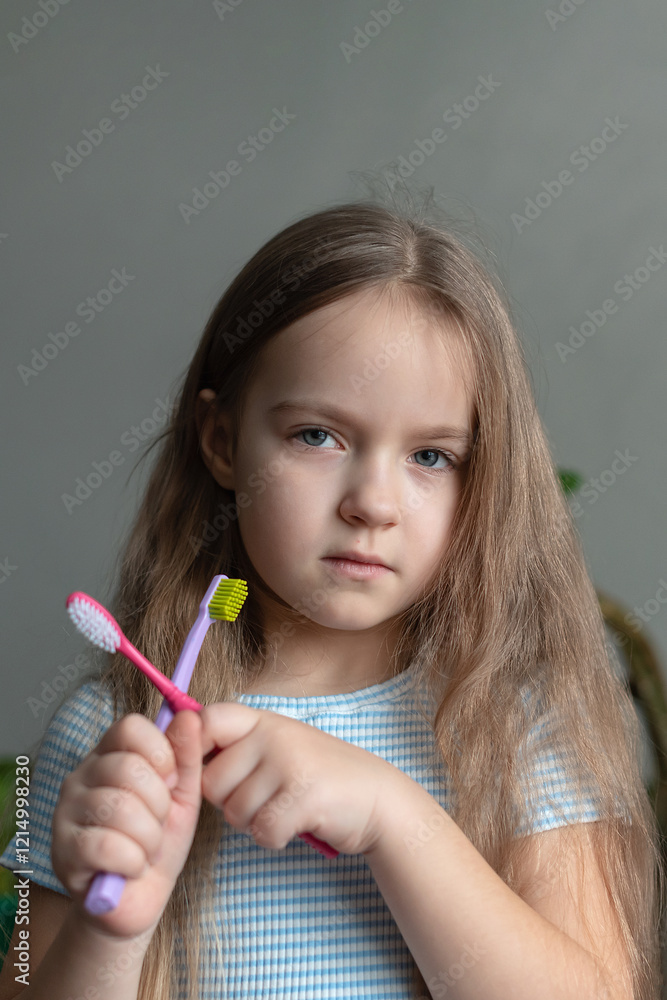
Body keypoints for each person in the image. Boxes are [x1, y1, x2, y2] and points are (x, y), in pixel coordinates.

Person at [0, 196, 662, 1000]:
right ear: (221, 442)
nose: (373, 503)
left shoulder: (520, 724)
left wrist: (394, 818)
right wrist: (113, 936)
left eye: (430, 455)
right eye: (317, 436)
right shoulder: (114, 729)